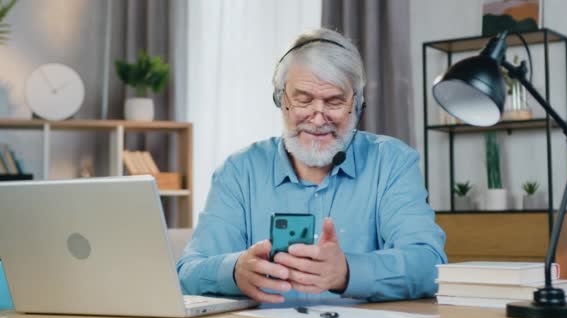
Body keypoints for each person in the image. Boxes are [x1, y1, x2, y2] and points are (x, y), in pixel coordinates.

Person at [177, 28, 447, 303]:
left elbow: (428, 265)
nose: (318, 119)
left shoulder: (393, 162)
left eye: (334, 101)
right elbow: (187, 273)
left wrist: (347, 271)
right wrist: (234, 272)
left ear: (357, 104)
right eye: (303, 99)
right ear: (281, 100)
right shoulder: (238, 171)